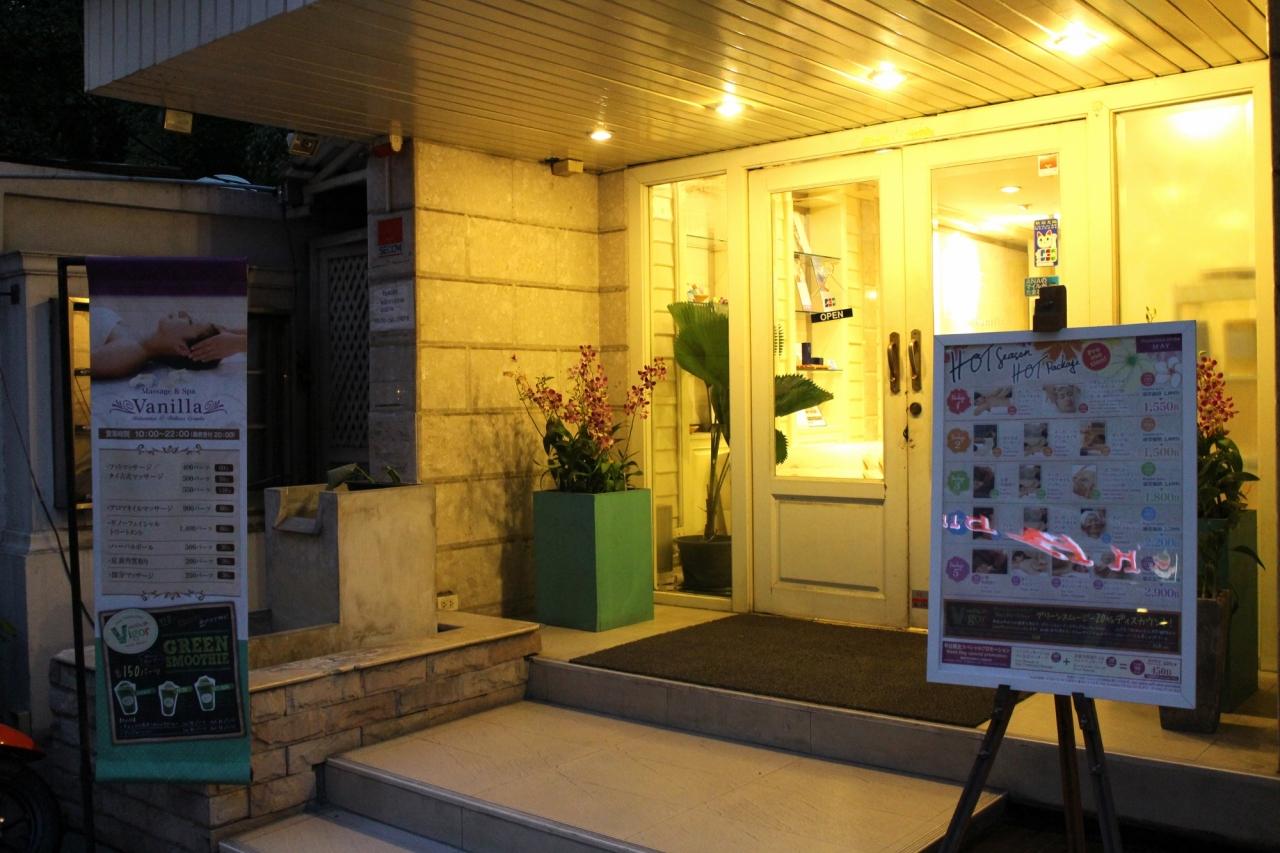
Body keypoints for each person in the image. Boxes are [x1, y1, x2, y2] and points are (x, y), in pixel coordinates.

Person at [90, 307, 245, 379]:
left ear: (181, 348)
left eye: (189, 321)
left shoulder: (130, 352)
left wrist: (239, 342)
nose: (183, 312)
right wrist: (232, 338)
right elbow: (221, 331)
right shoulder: (137, 342)